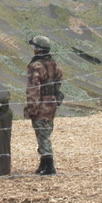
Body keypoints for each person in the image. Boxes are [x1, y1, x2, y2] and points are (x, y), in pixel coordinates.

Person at [24, 35, 64, 175]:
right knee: (46, 132)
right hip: (52, 103)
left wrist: (31, 108)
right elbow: (58, 83)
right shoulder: (55, 64)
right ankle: (43, 164)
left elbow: (33, 89)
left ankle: (49, 165)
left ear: (37, 49)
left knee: (42, 134)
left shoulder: (36, 66)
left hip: (40, 104)